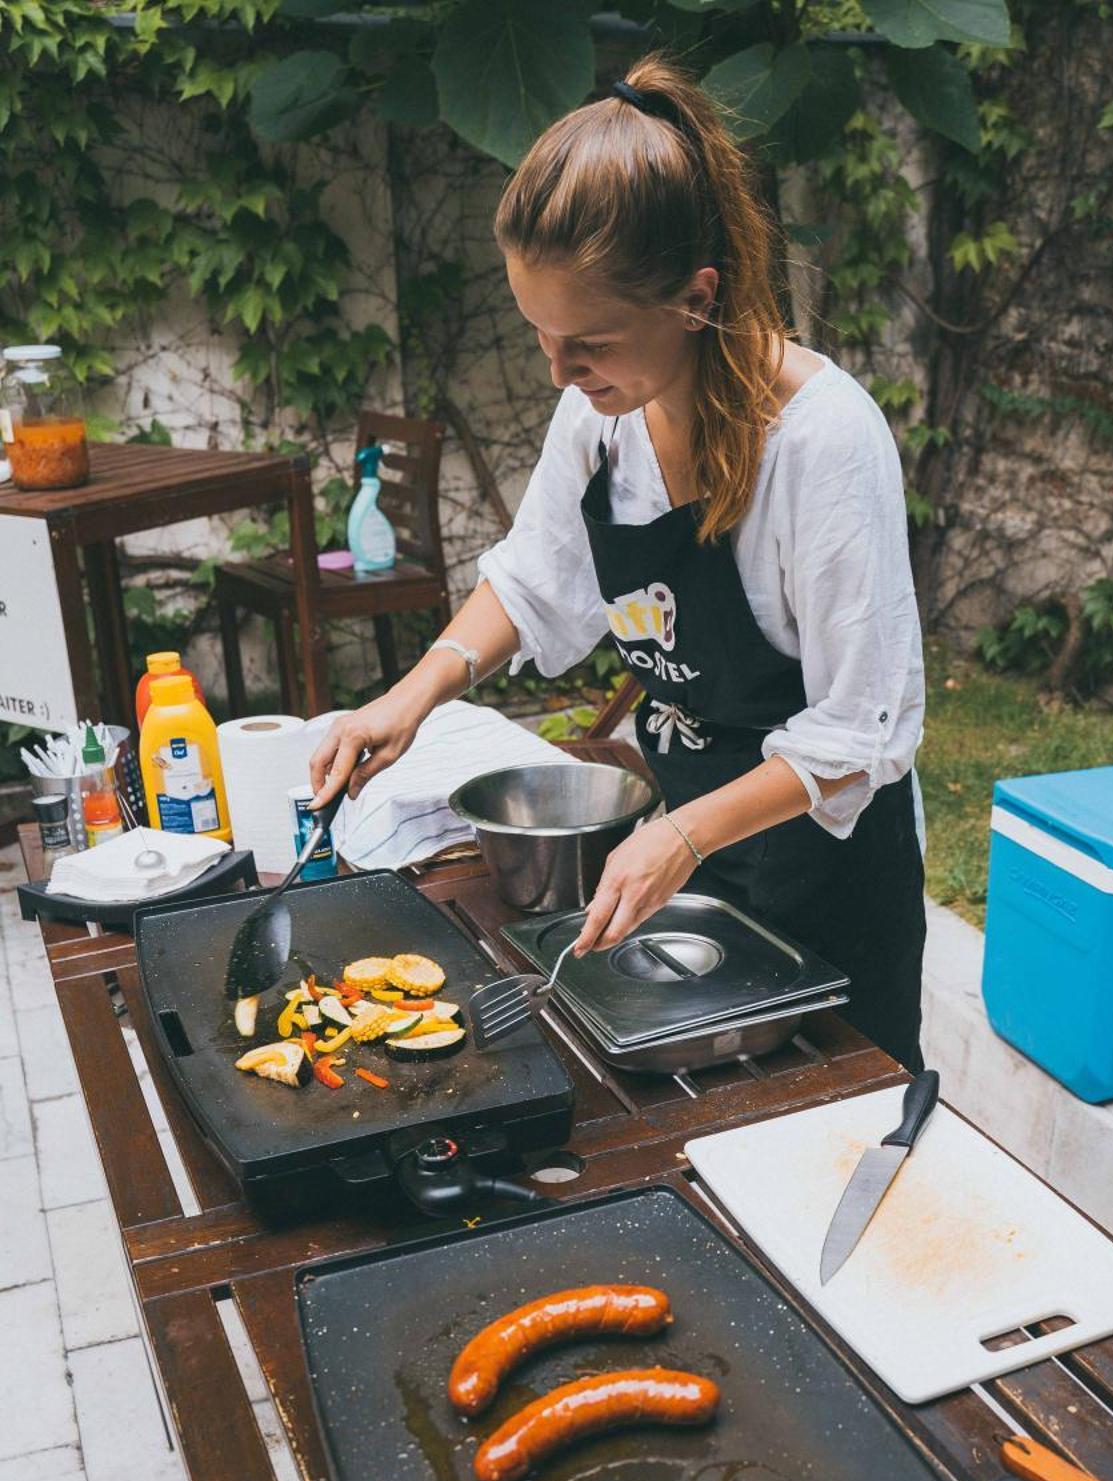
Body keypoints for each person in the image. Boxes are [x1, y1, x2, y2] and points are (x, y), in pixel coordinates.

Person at [311, 55, 926, 1064]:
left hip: (829, 874)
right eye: (539, 335)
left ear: (695, 297)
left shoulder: (823, 442)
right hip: (687, 850)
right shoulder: (601, 419)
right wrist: (408, 697)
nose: (558, 372)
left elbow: (862, 729)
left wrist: (682, 833)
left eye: (586, 342)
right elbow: (534, 573)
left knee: (833, 1122)